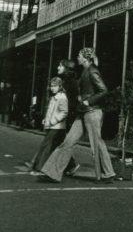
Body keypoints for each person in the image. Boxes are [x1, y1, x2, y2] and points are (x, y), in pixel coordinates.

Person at [40, 47, 116, 184]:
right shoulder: (86, 70)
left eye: (79, 56)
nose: (77, 58)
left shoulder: (92, 71)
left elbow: (104, 90)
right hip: (83, 112)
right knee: (68, 141)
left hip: (92, 111)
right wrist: (82, 97)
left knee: (97, 143)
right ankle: (52, 172)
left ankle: (108, 174)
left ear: (86, 58)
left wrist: (88, 100)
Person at [26, 77, 68, 173]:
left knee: (46, 145)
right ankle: (71, 166)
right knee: (57, 146)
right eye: (51, 86)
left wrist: (52, 121)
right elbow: (51, 111)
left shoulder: (61, 98)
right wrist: (46, 119)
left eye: (55, 86)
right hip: (54, 126)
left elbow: (64, 112)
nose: (52, 88)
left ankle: (39, 166)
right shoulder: (54, 96)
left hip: (57, 126)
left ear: (60, 86)